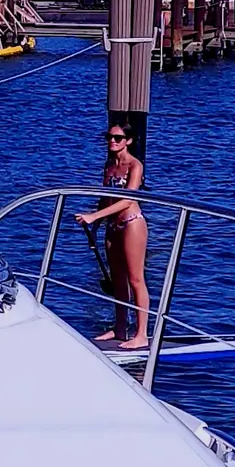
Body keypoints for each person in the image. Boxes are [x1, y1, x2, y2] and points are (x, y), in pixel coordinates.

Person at [78, 124, 149, 350]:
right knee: (117, 279)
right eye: (109, 137)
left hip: (131, 223)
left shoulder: (135, 165)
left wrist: (94, 216)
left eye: (118, 138)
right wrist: (96, 225)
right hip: (112, 225)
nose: (112, 141)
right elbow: (104, 197)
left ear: (128, 141)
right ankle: (120, 328)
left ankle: (141, 334)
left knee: (135, 279)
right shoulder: (109, 165)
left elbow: (128, 200)